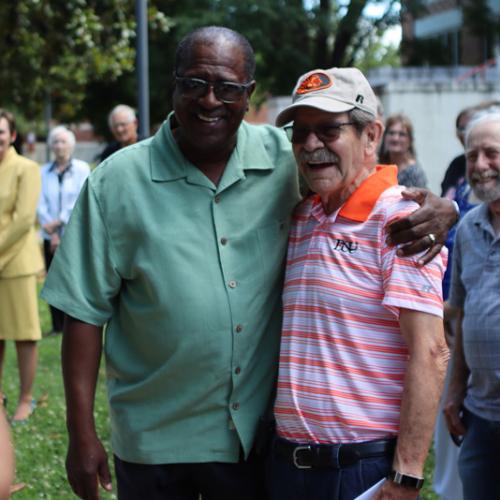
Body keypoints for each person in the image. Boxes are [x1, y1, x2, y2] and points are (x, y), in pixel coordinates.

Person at [41, 27, 458, 500]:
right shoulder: (116, 182)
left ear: (248, 95)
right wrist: (80, 433)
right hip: (153, 441)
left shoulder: (289, 158)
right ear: (173, 87)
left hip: (254, 447)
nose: (210, 101)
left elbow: (357, 176)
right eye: (194, 84)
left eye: (228, 88)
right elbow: (82, 312)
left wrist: (447, 209)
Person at [268, 67, 449, 500]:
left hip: (358, 469)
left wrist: (406, 475)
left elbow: (431, 352)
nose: (311, 145)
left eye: (329, 130)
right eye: (301, 133)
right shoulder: (300, 216)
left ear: (371, 136)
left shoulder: (400, 221)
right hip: (286, 464)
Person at [444, 109, 500, 500]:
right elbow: (460, 313)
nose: (479, 166)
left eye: (491, 153)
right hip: (480, 416)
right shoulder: (468, 227)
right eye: (471, 156)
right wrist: (455, 389)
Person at [0, 109, 43, 422]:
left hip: (16, 262)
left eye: (1, 132)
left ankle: (26, 399)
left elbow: (24, 219)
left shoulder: (26, 168)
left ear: (12, 135)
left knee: (24, 335)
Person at [37, 126, 90, 334]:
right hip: (48, 234)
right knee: (52, 278)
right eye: (55, 142)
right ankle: (57, 325)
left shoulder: (82, 169)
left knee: (72, 277)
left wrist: (59, 222)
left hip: (72, 232)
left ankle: (74, 321)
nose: (59, 146)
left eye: (63, 141)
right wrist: (49, 227)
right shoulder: (43, 171)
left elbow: (80, 198)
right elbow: (39, 201)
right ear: (51, 146)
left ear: (71, 145)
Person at [379, 113, 427, 188]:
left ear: (410, 140)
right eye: (391, 133)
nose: (395, 138)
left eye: (401, 134)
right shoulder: (378, 165)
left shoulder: (414, 173)